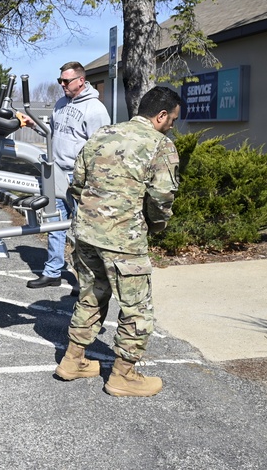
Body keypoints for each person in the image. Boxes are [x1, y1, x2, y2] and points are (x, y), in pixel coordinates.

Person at [54, 86, 181, 397]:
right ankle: (124, 375)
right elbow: (162, 197)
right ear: (160, 116)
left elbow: (77, 182)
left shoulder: (102, 135)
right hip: (124, 240)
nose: (173, 125)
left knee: (91, 295)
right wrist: (156, 225)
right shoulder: (160, 146)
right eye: (173, 119)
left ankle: (73, 361)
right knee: (137, 307)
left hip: (85, 234)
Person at [19, 62, 110, 289]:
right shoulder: (61, 103)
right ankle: (53, 272)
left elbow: (102, 149)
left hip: (81, 178)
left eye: (66, 81)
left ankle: (86, 283)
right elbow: (52, 133)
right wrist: (33, 124)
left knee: (83, 231)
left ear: (81, 80)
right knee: (54, 224)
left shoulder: (95, 109)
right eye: (60, 80)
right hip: (58, 174)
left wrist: (92, 180)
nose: (62, 84)